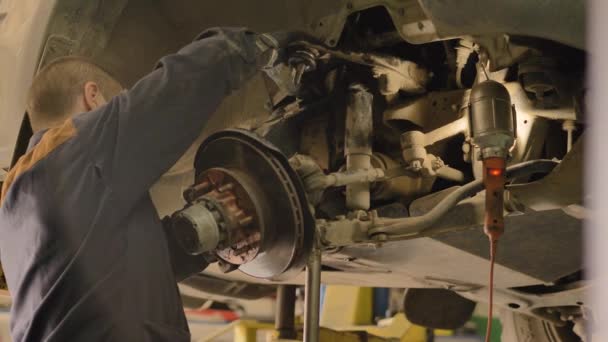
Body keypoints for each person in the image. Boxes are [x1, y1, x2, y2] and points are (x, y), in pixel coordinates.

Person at [0, 27, 297, 341]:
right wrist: (257, 46)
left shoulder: (14, 210)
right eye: (120, 100)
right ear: (93, 96)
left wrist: (208, 235)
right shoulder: (80, 148)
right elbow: (177, 89)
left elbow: (114, 274)